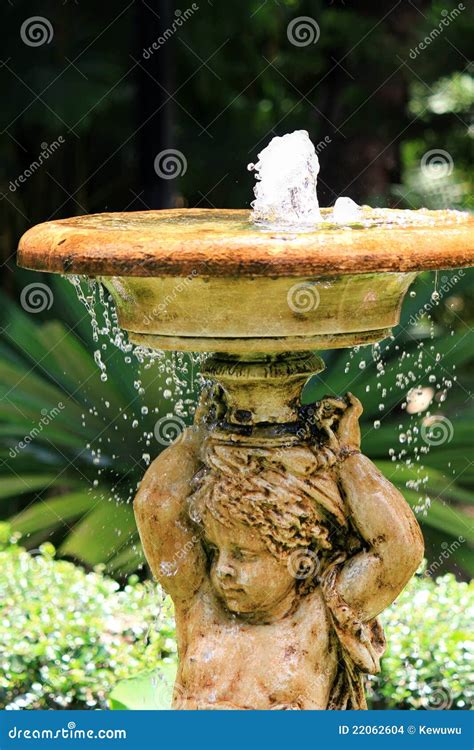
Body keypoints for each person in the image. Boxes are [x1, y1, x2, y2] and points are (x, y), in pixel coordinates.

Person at [134, 392, 424, 710]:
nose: (222, 569)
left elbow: (399, 549)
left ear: (298, 556)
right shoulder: (200, 599)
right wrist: (197, 437)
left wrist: (346, 457)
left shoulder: (327, 608)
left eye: (244, 555)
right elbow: (156, 504)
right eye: (216, 550)